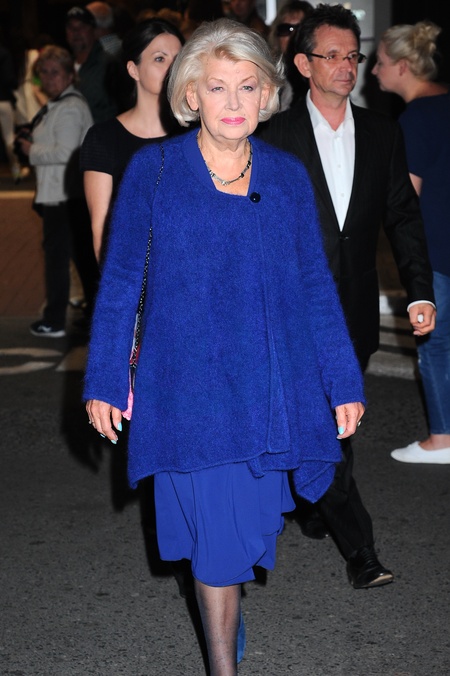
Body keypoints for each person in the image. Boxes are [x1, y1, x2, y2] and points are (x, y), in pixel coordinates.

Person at [84, 18, 365, 674]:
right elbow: (121, 281)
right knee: (216, 547)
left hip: (267, 390)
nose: (234, 102)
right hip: (189, 392)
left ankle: (225, 623)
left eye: (247, 86)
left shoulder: (287, 175)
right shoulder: (154, 171)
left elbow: (314, 285)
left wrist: (342, 380)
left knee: (235, 544)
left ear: (267, 94)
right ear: (191, 96)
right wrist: (104, 378)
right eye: (217, 87)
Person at [260, 3, 436, 589]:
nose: (346, 66)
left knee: (342, 416)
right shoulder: (273, 136)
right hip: (293, 306)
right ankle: (362, 551)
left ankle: (314, 500)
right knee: (321, 414)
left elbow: (403, 217)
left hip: (354, 307)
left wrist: (419, 292)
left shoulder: (383, 132)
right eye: (332, 55)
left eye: (353, 55)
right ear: (303, 64)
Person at [372, 21, 450, 464]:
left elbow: (407, 199)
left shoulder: (416, 118)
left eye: (380, 63)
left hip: (434, 249)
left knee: (434, 343)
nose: (373, 72)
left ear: (402, 66)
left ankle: (442, 439)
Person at [80, 17, 184, 261]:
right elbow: (102, 234)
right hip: (134, 274)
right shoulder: (103, 139)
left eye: (178, 59)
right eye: (160, 59)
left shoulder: (196, 134)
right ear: (133, 69)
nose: (173, 69)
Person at [15, 45, 98, 338]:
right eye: (44, 73)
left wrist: (30, 149)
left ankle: (54, 320)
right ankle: (94, 316)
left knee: (58, 259)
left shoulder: (70, 107)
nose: (49, 78)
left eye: (55, 72)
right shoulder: (62, 104)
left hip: (63, 195)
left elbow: (67, 151)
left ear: (69, 75)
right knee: (80, 259)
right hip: (65, 193)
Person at [65, 5, 120, 123]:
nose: (76, 32)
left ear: (94, 31)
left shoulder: (109, 64)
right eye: (71, 27)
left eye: (82, 27)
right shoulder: (64, 66)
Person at [268, 0, 313, 110]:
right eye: (286, 29)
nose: (293, 36)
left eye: (299, 29)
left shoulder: (319, 75)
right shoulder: (268, 75)